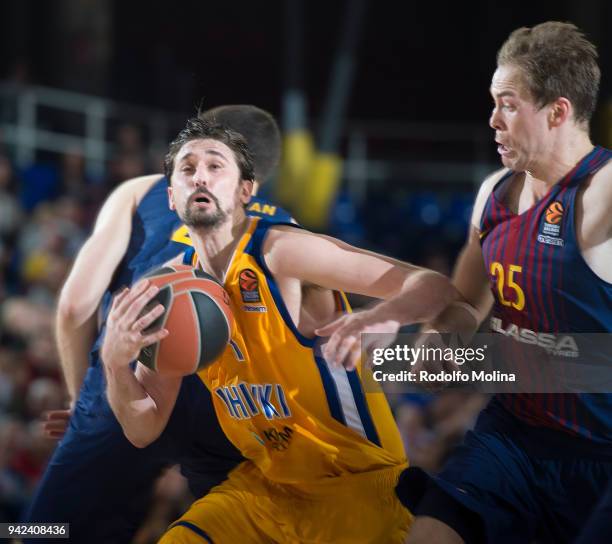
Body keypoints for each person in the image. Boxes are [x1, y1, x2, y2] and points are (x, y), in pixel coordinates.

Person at [102, 118, 456, 543]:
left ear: (245, 191)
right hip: (264, 492)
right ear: (171, 196)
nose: (200, 175)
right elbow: (143, 427)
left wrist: (386, 315)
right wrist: (115, 363)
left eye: (216, 166)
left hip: (356, 485)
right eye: (187, 168)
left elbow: (435, 286)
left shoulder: (282, 253)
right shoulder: (169, 294)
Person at [324, 21, 612, 543]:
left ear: (558, 111)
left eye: (508, 104)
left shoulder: (602, 190)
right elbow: (464, 307)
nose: (492, 120)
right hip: (514, 436)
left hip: (600, 451)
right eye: (493, 102)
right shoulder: (493, 194)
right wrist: (429, 348)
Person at [23, 105, 293, 543]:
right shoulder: (286, 227)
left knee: (41, 533)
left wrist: (81, 405)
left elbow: (76, 305)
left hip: (133, 380)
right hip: (230, 406)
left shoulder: (143, 191)